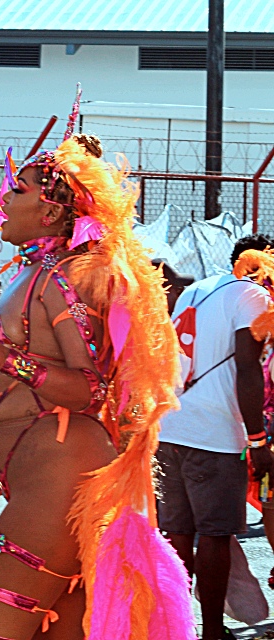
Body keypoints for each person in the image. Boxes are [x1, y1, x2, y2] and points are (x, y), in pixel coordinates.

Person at [0, 129, 190, 639]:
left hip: (59, 477)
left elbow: (91, 389)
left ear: (50, 213)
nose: (1, 198)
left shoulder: (67, 277)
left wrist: (4, 358)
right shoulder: (38, 270)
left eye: (16, 190)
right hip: (45, 473)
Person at [158, 234, 274, 640]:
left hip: (169, 426)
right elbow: (247, 367)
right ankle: (209, 632)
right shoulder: (254, 297)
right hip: (214, 433)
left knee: (176, 535)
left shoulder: (196, 289)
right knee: (214, 535)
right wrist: (258, 439)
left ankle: (175, 628)